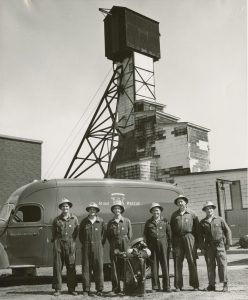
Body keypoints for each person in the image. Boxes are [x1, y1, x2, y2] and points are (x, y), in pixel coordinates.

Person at [199, 201, 232, 292]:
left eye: (210, 208)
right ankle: (212, 285)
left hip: (220, 245)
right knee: (210, 266)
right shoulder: (202, 222)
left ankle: (225, 284)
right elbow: (200, 236)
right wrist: (202, 247)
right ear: (205, 210)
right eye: (207, 208)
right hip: (209, 247)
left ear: (213, 209)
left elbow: (227, 231)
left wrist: (228, 243)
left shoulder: (220, 219)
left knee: (222, 265)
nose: (209, 210)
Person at [170, 195, 199, 292]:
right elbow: (171, 230)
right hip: (177, 239)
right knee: (178, 262)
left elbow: (197, 229)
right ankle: (178, 285)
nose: (180, 203)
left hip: (189, 238)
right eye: (178, 202)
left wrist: (196, 243)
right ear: (177, 204)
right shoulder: (174, 215)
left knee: (192, 261)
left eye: (182, 201)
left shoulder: (192, 214)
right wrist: (172, 243)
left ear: (185, 202)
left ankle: (195, 285)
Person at [51, 198, 78, 296]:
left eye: (67, 206)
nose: (65, 208)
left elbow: (76, 233)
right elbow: (53, 233)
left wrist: (72, 243)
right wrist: (57, 243)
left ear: (69, 207)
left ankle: (71, 288)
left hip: (70, 244)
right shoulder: (57, 219)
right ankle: (57, 289)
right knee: (58, 267)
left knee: (71, 266)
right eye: (63, 206)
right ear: (61, 208)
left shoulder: (74, 219)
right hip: (59, 244)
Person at [106, 194, 132, 295]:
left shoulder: (127, 221)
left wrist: (125, 243)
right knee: (114, 266)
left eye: (118, 208)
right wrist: (114, 244)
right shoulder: (110, 222)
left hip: (124, 244)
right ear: (113, 210)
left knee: (126, 265)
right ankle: (116, 288)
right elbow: (108, 236)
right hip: (114, 245)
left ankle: (127, 287)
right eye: (115, 209)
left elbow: (130, 235)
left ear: (121, 210)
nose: (117, 210)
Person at [79, 202, 106, 296]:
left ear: (96, 211)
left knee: (98, 268)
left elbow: (104, 236)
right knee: (86, 268)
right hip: (86, 247)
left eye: (94, 209)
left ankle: (99, 289)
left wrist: (98, 244)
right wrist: (86, 243)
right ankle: (86, 289)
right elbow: (80, 236)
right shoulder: (84, 222)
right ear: (88, 211)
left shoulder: (101, 221)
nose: (92, 211)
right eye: (90, 209)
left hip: (98, 247)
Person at [143, 202, 172, 292]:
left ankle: (167, 286)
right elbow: (145, 236)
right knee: (154, 266)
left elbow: (169, 234)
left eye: (157, 211)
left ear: (160, 211)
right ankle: (155, 286)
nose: (156, 213)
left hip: (163, 246)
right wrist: (146, 247)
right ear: (152, 212)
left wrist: (170, 246)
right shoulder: (148, 222)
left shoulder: (165, 221)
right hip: (152, 247)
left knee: (165, 265)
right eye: (154, 211)